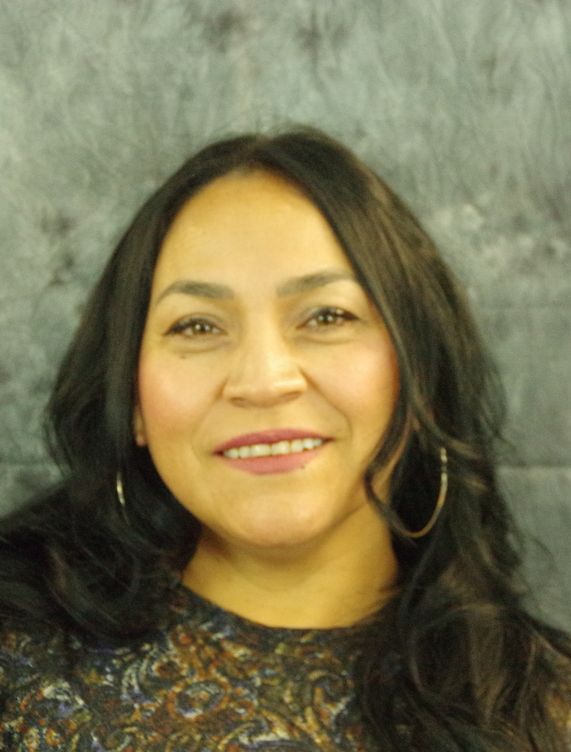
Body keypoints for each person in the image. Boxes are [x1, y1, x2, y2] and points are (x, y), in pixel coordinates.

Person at [0, 128, 569, 751]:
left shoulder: (546, 712)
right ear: (131, 399)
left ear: (420, 374)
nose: (264, 380)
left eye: (327, 316)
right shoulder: (17, 661)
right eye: (196, 326)